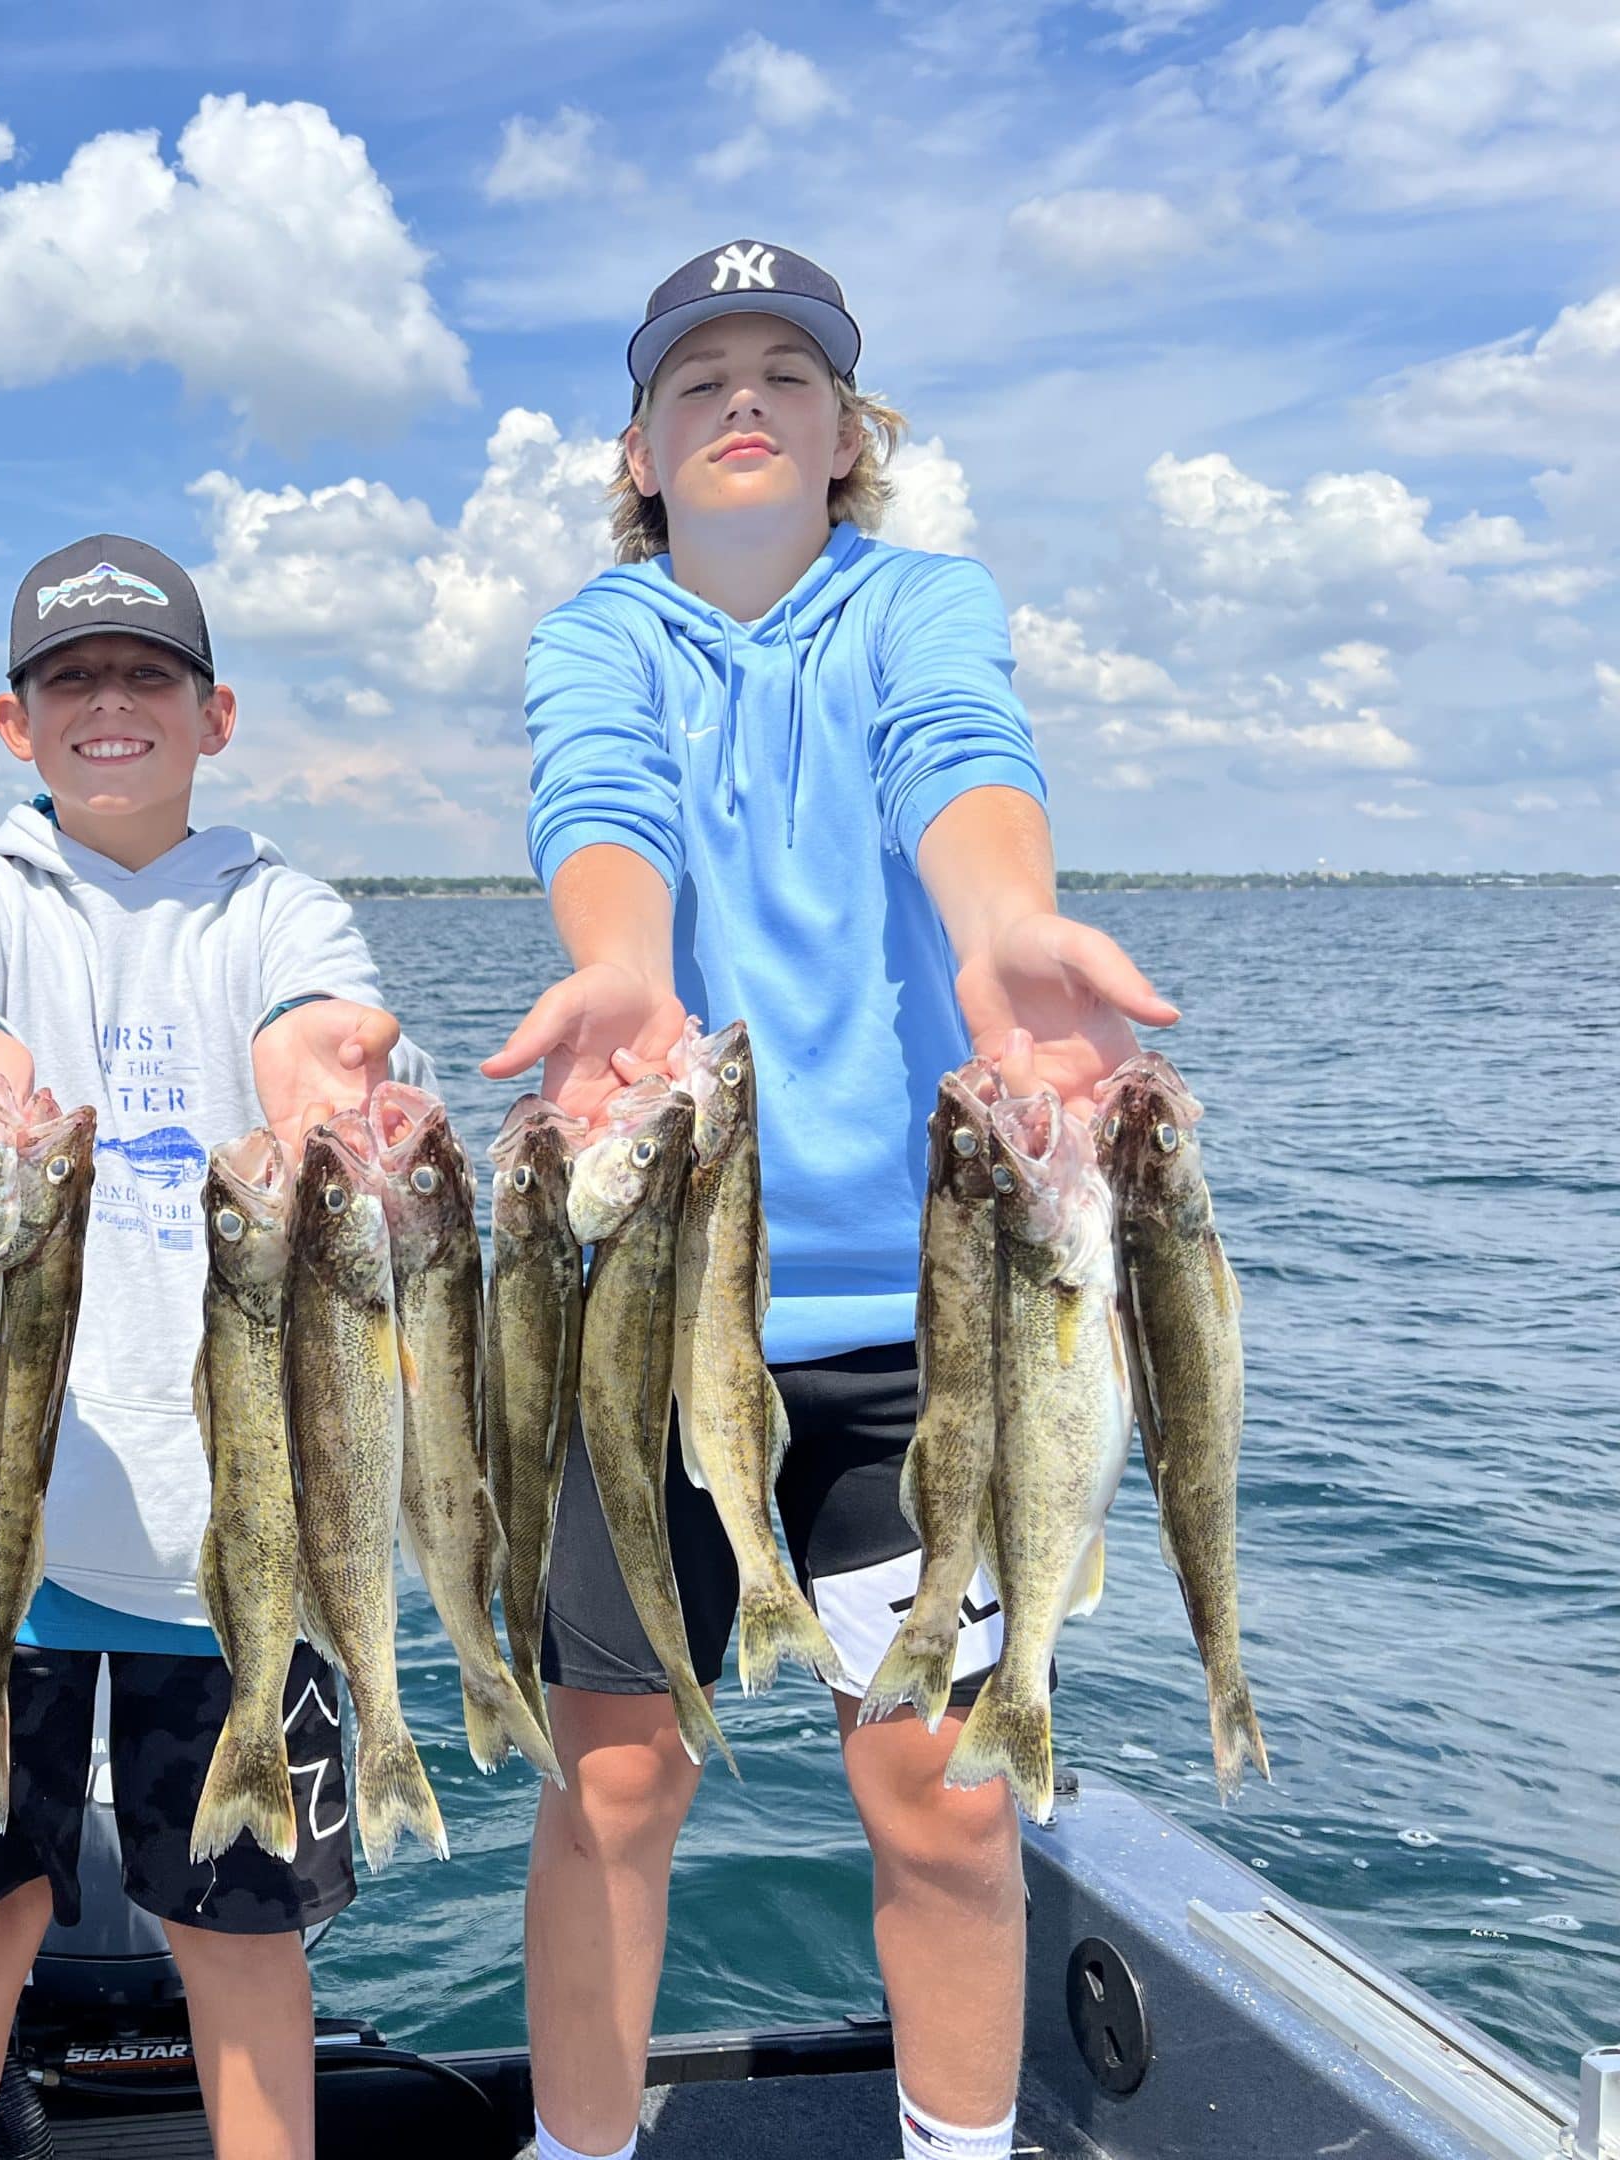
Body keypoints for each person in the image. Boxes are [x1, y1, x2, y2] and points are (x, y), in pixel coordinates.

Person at [484, 242, 1177, 2160]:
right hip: (650, 1318)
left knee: (941, 1792)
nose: (742, 402)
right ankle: (577, 2147)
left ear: (848, 433)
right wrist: (620, 963)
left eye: (787, 373)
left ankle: (960, 2147)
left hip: (918, 1337)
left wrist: (1012, 924)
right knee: (614, 1781)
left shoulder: (923, 607)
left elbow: (959, 758)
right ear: (636, 448)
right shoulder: (595, 638)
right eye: (699, 377)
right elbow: (595, 803)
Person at [0, 534, 422, 2160]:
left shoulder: (281, 904)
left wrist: (328, 1076)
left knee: (243, 1940)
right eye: (68, 679)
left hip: (251, 1538)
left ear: (214, 713)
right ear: (13, 725)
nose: (108, 706)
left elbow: (326, 1029)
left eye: (145, 675)